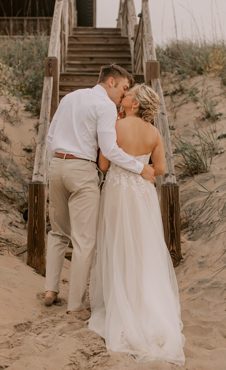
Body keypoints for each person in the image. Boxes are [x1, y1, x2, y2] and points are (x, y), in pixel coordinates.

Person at [43, 64, 156, 316]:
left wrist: (58, 160)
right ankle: (75, 305)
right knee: (84, 241)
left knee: (58, 231)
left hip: (56, 165)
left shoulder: (70, 97)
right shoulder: (105, 105)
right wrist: (140, 168)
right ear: (111, 82)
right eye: (124, 88)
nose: (123, 96)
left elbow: (50, 137)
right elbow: (110, 149)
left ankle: (51, 290)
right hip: (81, 171)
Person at [88, 83, 185, 366]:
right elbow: (162, 169)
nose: (123, 96)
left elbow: (104, 166)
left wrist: (124, 168)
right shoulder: (154, 132)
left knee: (117, 245)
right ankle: (145, 304)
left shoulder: (115, 127)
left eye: (128, 95)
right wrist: (140, 171)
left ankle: (121, 304)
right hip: (143, 193)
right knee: (143, 249)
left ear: (135, 104)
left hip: (118, 190)